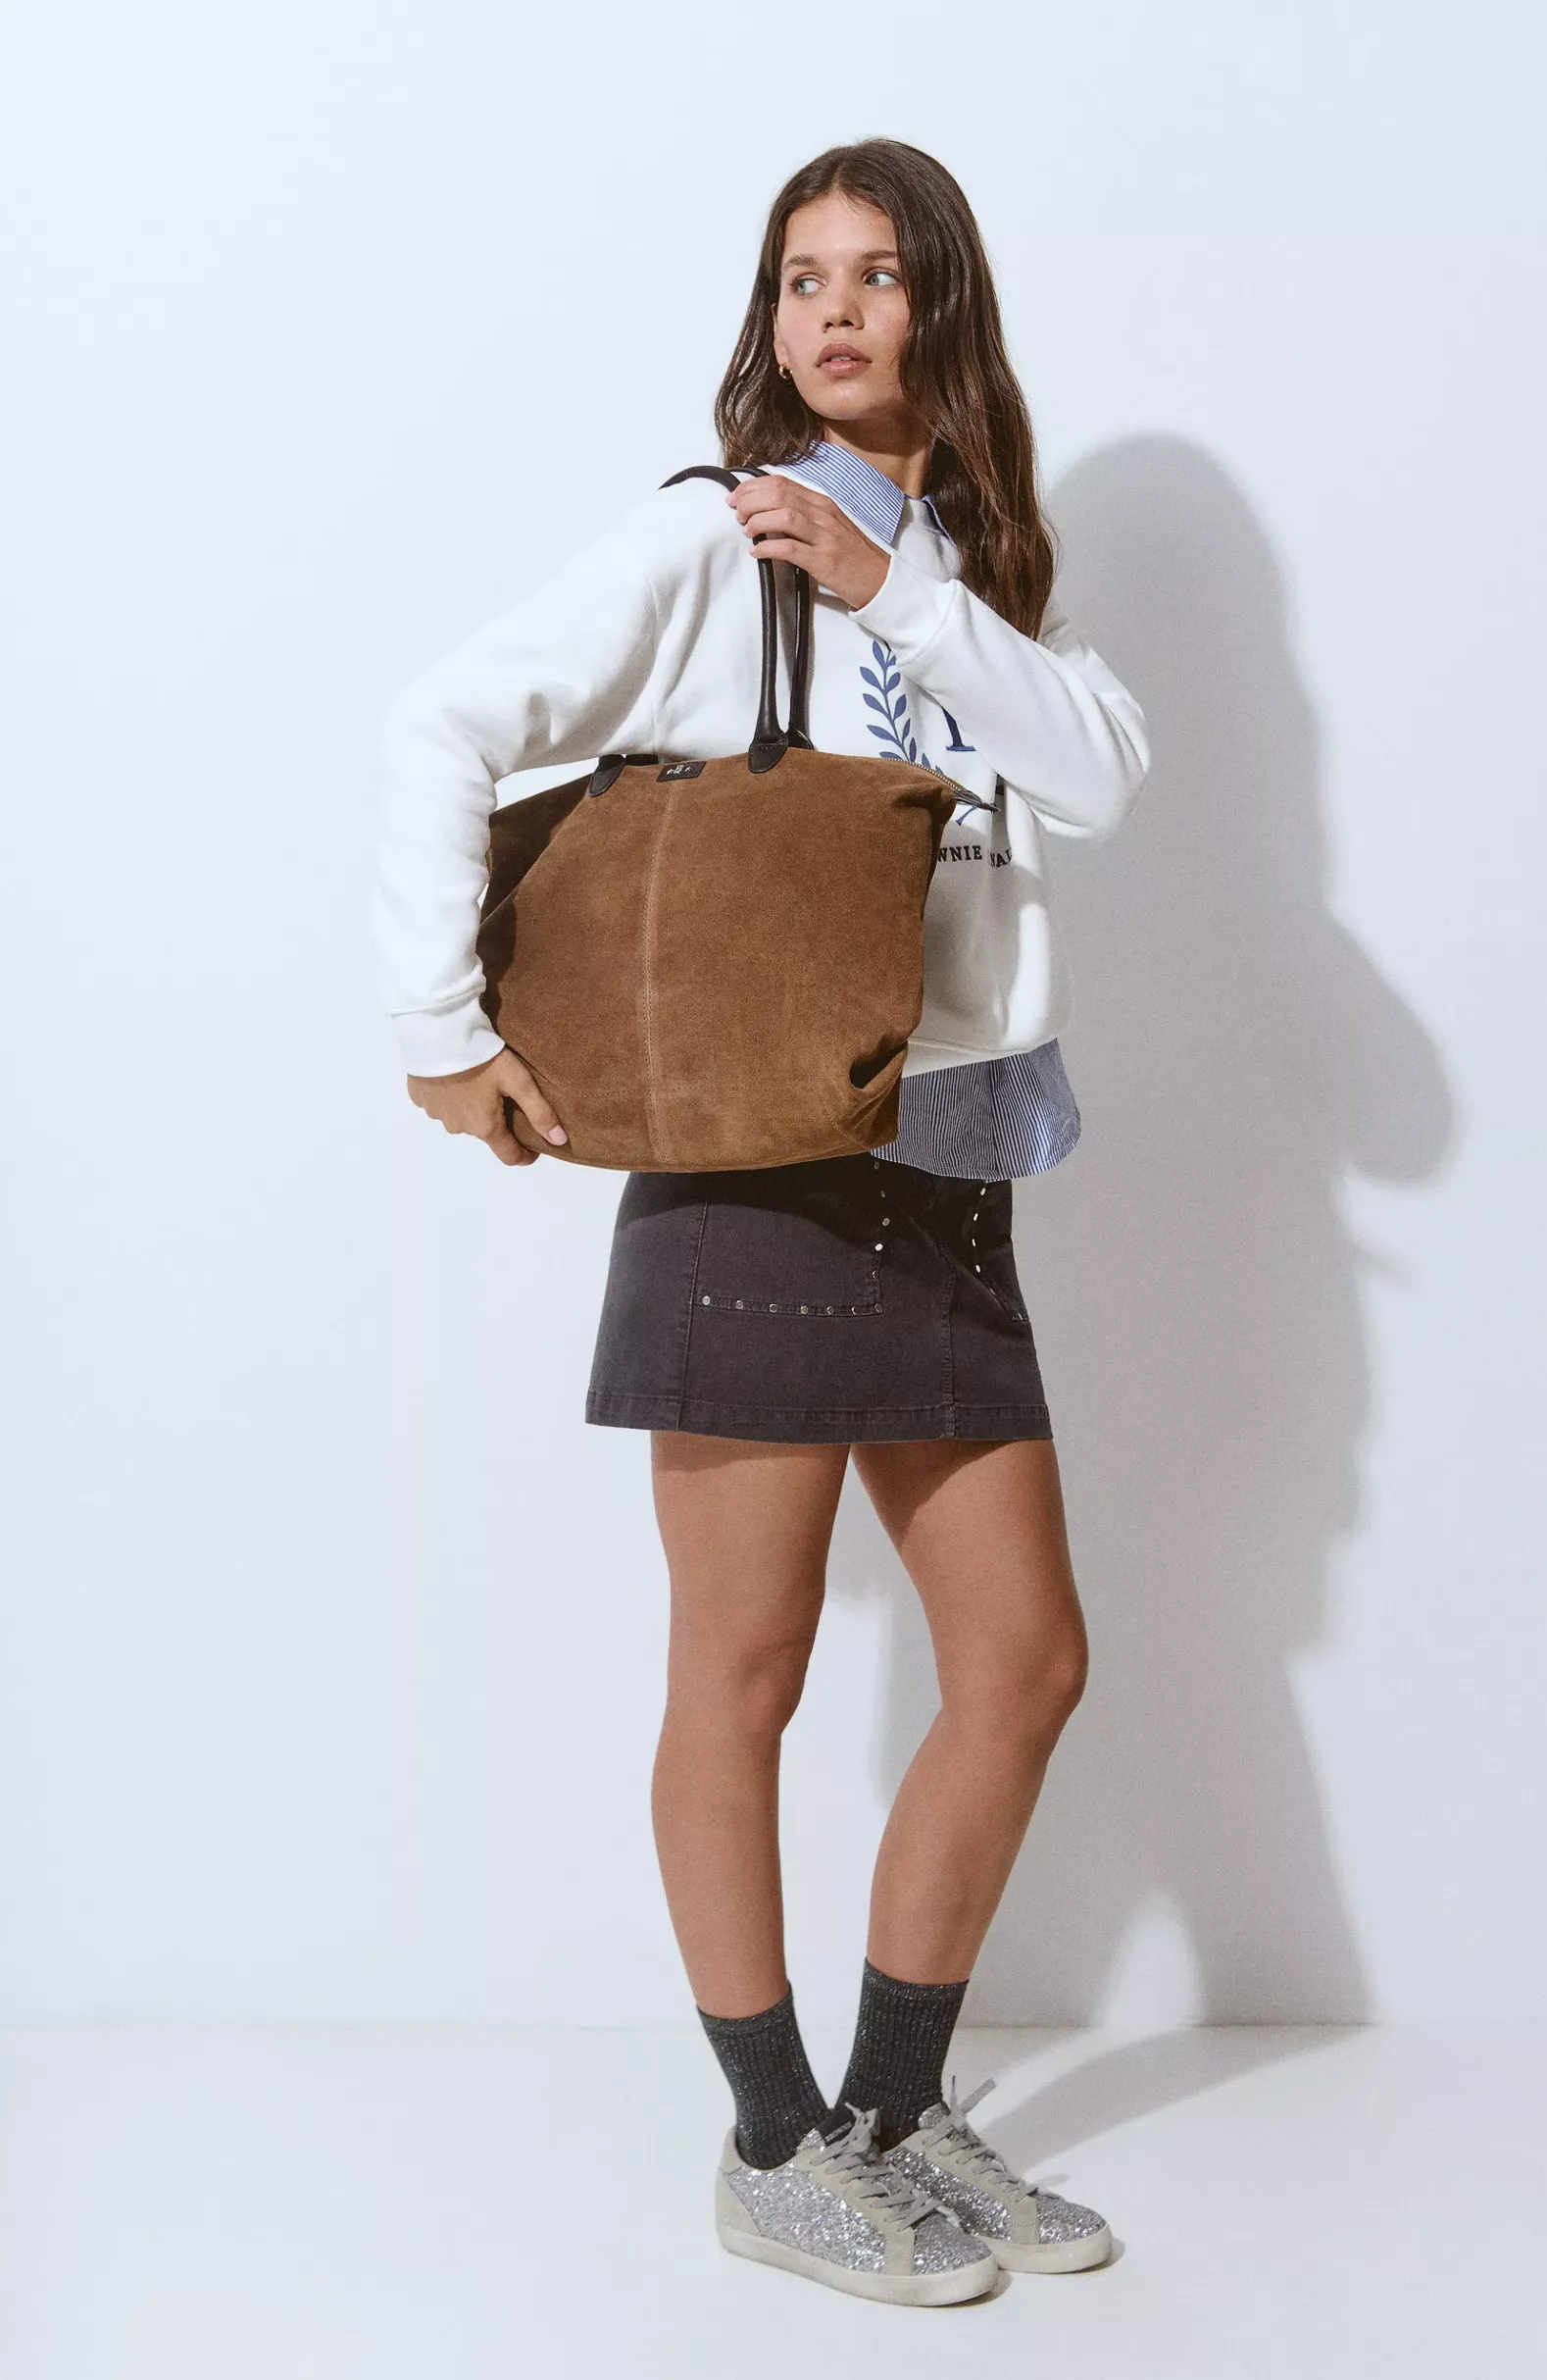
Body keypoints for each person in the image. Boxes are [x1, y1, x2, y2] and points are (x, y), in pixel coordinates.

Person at [373, 137, 1149, 2306]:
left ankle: (896, 2112)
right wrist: (441, 1029)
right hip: (751, 1164)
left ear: (941, 311)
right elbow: (443, 719)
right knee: (745, 1664)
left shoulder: (971, 574)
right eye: (802, 277)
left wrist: (905, 594)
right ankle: (774, 2142)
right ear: (770, 317)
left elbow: (1099, 774)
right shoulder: (710, 539)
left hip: (946, 1161)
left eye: (878, 275)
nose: (835, 310)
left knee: (1026, 1658)